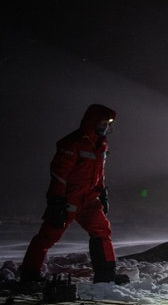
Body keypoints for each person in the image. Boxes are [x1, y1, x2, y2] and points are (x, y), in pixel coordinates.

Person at [19, 104, 119, 284]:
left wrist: (102, 192)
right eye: (104, 122)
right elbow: (59, 173)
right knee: (49, 235)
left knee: (102, 231)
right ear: (93, 121)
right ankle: (29, 273)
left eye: (108, 123)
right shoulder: (72, 143)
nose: (106, 127)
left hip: (90, 198)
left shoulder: (101, 144)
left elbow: (99, 172)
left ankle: (106, 277)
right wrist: (56, 200)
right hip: (69, 198)